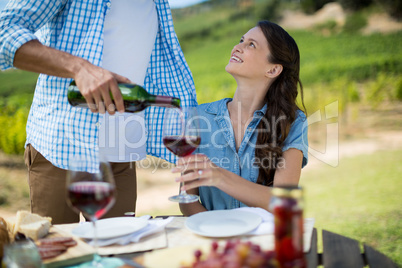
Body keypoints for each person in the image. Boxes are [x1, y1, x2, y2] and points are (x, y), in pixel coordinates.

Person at [0, 0, 197, 224]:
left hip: (121, 151)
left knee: (116, 252)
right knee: (60, 251)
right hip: (61, 148)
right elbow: (4, 32)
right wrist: (79, 67)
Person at [172, 21, 308, 216]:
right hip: (213, 237)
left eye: (251, 44)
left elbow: (285, 202)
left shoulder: (293, 122)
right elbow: (187, 200)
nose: (237, 47)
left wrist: (220, 177)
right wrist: (217, 232)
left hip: (262, 239)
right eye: (241, 40)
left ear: (273, 70)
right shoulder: (198, 117)